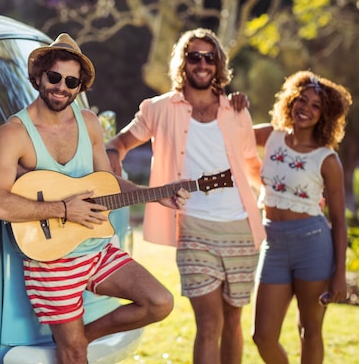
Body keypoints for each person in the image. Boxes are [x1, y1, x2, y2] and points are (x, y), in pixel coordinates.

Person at [0, 33, 189, 364]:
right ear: (38, 76)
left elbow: (106, 183)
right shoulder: (14, 133)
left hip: (96, 250)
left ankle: (82, 336)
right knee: (75, 355)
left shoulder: (90, 124)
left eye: (71, 82)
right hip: (50, 261)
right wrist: (65, 209)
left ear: (80, 87)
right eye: (54, 77)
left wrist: (153, 195)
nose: (61, 87)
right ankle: (74, 344)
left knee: (160, 302)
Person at [105, 28, 264, 364]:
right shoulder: (158, 109)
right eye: (194, 56)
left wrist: (279, 195)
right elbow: (119, 142)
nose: (202, 63)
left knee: (233, 321)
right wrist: (112, 162)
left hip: (241, 228)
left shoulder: (237, 110)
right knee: (209, 322)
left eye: (210, 57)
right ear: (184, 62)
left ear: (218, 64)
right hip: (193, 228)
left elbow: (251, 164)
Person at [251, 71, 352, 364]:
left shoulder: (327, 159)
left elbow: (339, 220)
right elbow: (232, 128)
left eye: (316, 105)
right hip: (273, 244)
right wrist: (235, 102)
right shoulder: (271, 136)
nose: (306, 108)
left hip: (313, 244)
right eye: (301, 100)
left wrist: (340, 275)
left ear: (325, 115)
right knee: (263, 336)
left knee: (310, 330)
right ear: (290, 101)